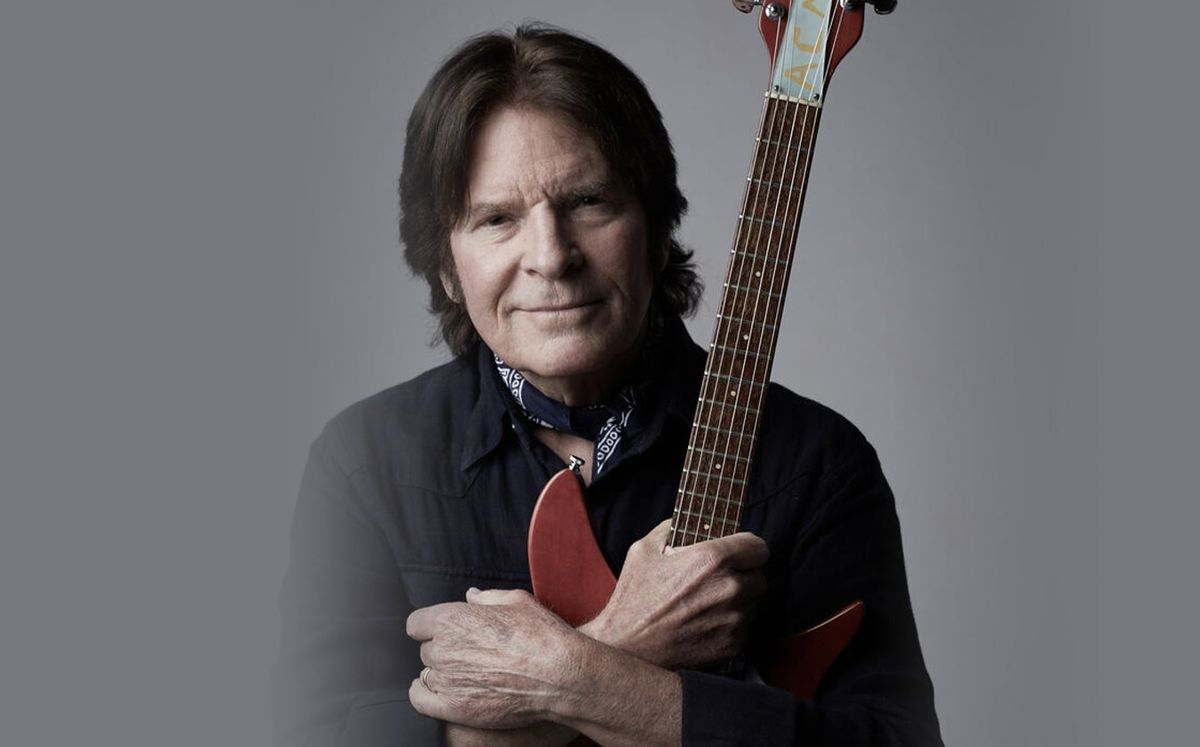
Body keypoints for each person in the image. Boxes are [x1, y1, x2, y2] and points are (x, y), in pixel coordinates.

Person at [275, 24, 943, 746]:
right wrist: (624, 640)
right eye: (497, 218)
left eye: (588, 201)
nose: (551, 256)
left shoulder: (817, 465)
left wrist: (575, 682)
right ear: (446, 266)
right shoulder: (366, 461)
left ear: (655, 229)